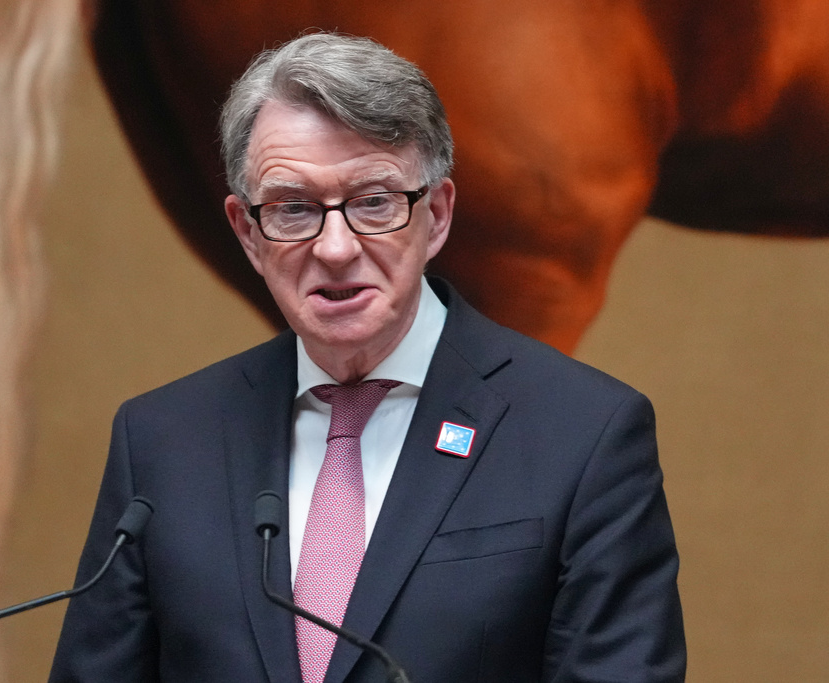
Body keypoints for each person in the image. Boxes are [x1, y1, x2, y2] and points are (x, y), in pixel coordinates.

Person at [49, 32, 685, 682]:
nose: (334, 247)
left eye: (373, 203)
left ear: (435, 215)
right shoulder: (162, 441)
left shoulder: (584, 435)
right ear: (247, 232)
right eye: (294, 208)